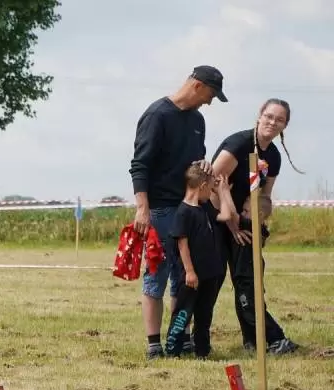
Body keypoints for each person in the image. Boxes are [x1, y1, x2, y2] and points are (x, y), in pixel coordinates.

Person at [128, 65, 228, 360]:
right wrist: (142, 208)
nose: (209, 102)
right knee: (156, 274)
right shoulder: (157, 115)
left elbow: (195, 161)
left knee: (184, 275)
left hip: (189, 208)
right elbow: (140, 165)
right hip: (160, 209)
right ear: (197, 86)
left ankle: (179, 337)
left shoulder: (197, 120)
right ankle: (153, 344)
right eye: (211, 95)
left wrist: (204, 165)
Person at [211, 99, 303, 354]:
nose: (273, 122)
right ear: (260, 116)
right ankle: (191, 339)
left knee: (248, 282)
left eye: (280, 119)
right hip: (216, 217)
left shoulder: (273, 156)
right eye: (269, 116)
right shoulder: (239, 144)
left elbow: (265, 196)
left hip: (244, 222)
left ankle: (256, 341)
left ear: (285, 125)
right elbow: (212, 186)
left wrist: (258, 213)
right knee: (213, 281)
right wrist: (232, 223)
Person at [164, 163, 234, 359]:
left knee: (204, 314)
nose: (211, 192)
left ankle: (202, 350)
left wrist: (222, 192)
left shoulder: (205, 207)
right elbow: (182, 244)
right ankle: (173, 349)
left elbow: (226, 215)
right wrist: (189, 271)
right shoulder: (184, 212)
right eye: (210, 188)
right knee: (183, 313)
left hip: (210, 274)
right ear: (202, 186)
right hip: (192, 277)